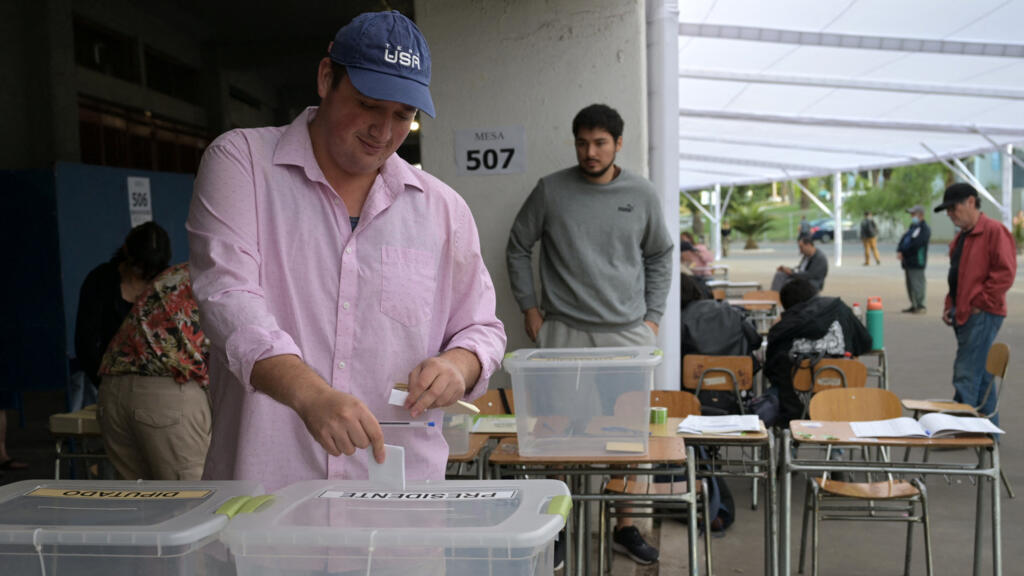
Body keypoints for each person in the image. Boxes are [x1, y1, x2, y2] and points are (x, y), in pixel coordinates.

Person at [187, 11, 506, 492]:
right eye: (368, 104)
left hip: (400, 500)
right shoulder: (244, 164)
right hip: (268, 492)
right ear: (325, 78)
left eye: (403, 115)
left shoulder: (443, 209)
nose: (383, 130)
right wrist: (310, 395)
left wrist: (458, 367)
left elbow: (481, 327)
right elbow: (227, 296)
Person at [506, 103, 673, 566]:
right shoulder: (551, 190)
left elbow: (660, 255)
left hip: (627, 336)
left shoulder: (641, 193)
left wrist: (653, 317)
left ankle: (626, 526)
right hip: (564, 333)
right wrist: (530, 308)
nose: (590, 151)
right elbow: (518, 246)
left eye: (600, 143)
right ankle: (556, 527)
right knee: (558, 436)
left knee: (627, 435)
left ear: (619, 144)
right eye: (582, 142)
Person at [97, 263, 211, 480]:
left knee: (138, 506)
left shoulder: (179, 272)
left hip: (113, 389)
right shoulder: (240, 282)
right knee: (189, 503)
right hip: (168, 394)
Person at [935, 183, 1017, 424]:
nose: (950, 213)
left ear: (971, 202)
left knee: (966, 373)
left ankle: (962, 428)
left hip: (982, 313)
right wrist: (951, 304)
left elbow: (1005, 273)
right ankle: (988, 431)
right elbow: (957, 275)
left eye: (953, 208)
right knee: (981, 375)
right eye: (947, 210)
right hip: (968, 312)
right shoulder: (963, 237)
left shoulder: (993, 231)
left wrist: (979, 303)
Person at [75, 222, 172, 403]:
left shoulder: (168, 285)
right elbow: (85, 342)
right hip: (109, 380)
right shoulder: (101, 280)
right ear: (127, 251)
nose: (143, 273)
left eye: (150, 269)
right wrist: (105, 384)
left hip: (159, 383)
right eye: (139, 266)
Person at [764, 278, 872, 424]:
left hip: (795, 413)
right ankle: (835, 445)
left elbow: (770, 370)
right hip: (843, 407)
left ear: (787, 306)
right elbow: (865, 343)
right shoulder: (839, 308)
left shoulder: (782, 329)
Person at [679, 275, 761, 368]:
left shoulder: (679, 320)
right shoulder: (729, 309)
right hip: (738, 375)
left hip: (697, 376)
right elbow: (755, 340)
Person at [896, 205, 931, 314]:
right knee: (910, 284)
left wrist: (905, 252)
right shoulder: (913, 227)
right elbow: (904, 239)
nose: (911, 216)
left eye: (913, 214)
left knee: (918, 283)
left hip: (917, 261)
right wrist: (900, 250)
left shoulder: (925, 229)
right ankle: (914, 304)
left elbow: (917, 244)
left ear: (920, 215)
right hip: (908, 261)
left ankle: (920, 305)